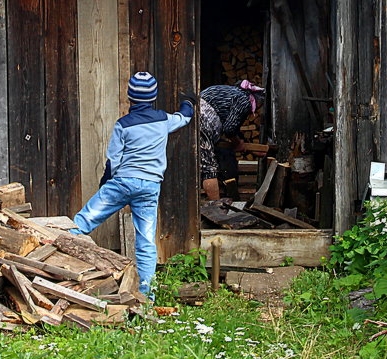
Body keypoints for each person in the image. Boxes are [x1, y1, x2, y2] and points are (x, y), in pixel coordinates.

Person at [69, 71, 194, 298]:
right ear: (153, 96)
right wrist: (188, 103)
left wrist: (104, 186)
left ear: (130, 97)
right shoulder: (163, 120)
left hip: (123, 182)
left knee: (85, 221)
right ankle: (147, 296)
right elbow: (184, 117)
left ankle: (60, 260)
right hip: (149, 186)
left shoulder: (123, 125)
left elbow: (113, 161)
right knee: (146, 241)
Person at [199, 80, 265, 200]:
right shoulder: (244, 101)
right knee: (209, 169)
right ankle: (215, 210)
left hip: (192, 116)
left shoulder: (230, 91)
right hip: (204, 122)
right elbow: (230, 128)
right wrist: (237, 143)